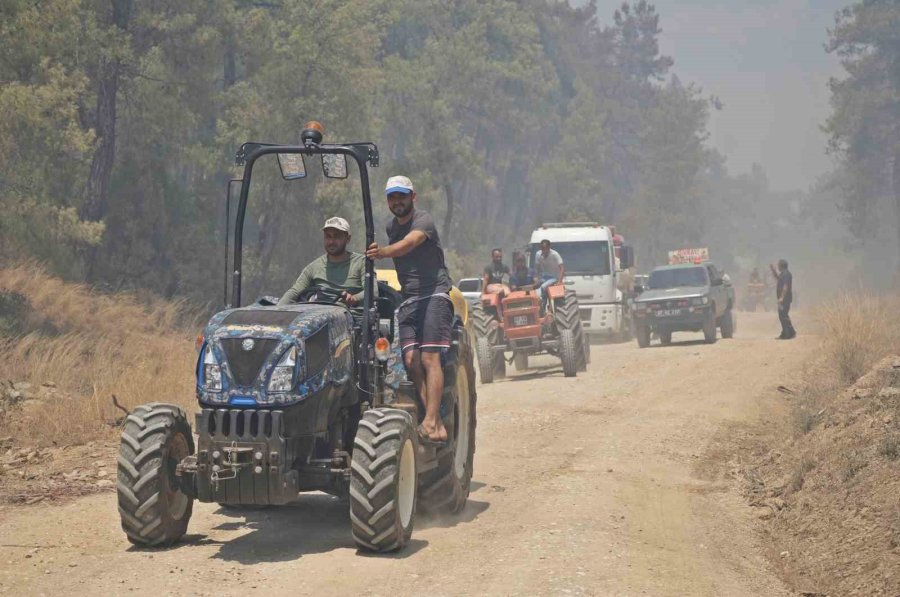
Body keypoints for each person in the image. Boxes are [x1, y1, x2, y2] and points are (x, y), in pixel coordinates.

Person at [365, 175, 453, 444]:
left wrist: (382, 252)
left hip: (433, 294)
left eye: (402, 196)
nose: (397, 201)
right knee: (411, 361)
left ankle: (429, 421)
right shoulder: (392, 226)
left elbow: (409, 245)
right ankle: (434, 422)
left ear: (413, 197)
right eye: (392, 197)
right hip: (409, 298)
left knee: (429, 359)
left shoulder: (422, 221)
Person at [278, 217, 370, 308]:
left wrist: (354, 298)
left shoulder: (361, 263)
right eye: (328, 236)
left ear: (348, 239)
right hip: (320, 317)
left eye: (336, 236)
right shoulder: (313, 268)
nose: (331, 241)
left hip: (353, 319)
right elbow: (294, 292)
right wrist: (276, 312)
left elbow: (372, 291)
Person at [535, 239, 565, 312]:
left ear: (549, 248)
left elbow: (562, 268)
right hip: (544, 277)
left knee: (543, 287)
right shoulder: (538, 254)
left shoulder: (555, 254)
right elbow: (537, 267)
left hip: (554, 277)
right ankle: (539, 308)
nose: (543, 250)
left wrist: (560, 281)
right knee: (536, 292)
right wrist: (537, 278)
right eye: (542, 248)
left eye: (545, 248)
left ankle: (545, 306)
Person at [770, 259, 796, 340]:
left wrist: (782, 297)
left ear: (781, 266)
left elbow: (785, 287)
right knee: (782, 315)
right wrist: (773, 271)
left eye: (778, 265)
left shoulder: (787, 274)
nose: (778, 267)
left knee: (783, 315)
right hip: (782, 299)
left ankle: (788, 333)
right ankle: (788, 332)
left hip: (785, 299)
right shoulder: (783, 274)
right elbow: (778, 278)